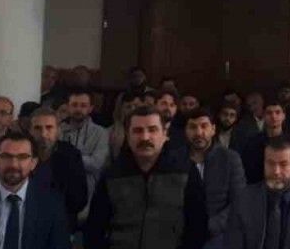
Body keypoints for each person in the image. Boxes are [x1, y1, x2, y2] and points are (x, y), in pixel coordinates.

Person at [84, 106, 208, 249]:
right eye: (137, 131)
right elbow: (95, 229)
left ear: (165, 134)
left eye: (152, 130)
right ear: (127, 135)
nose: (145, 137)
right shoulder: (112, 175)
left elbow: (198, 227)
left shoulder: (185, 172)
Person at [186, 111, 244, 249]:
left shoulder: (230, 159)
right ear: (185, 131)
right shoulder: (177, 159)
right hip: (183, 233)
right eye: (193, 127)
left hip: (219, 233)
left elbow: (239, 201)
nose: (198, 132)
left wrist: (211, 226)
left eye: (204, 126)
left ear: (213, 129)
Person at [27, 107, 88, 231]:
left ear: (58, 130)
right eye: (38, 128)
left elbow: (79, 198)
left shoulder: (71, 155)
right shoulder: (22, 153)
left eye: (49, 127)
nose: (43, 134)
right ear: (30, 131)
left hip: (60, 223)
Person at [59, 88, 110, 204]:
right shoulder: (58, 130)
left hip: (89, 190)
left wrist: (69, 157)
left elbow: (97, 164)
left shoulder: (101, 133)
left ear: (90, 108)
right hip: (60, 188)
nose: (78, 109)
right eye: (74, 105)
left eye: (83, 105)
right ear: (68, 107)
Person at [241, 100, 290, 184]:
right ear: (264, 116)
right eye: (269, 113)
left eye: (277, 112)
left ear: (284, 116)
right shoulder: (252, 143)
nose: (273, 116)